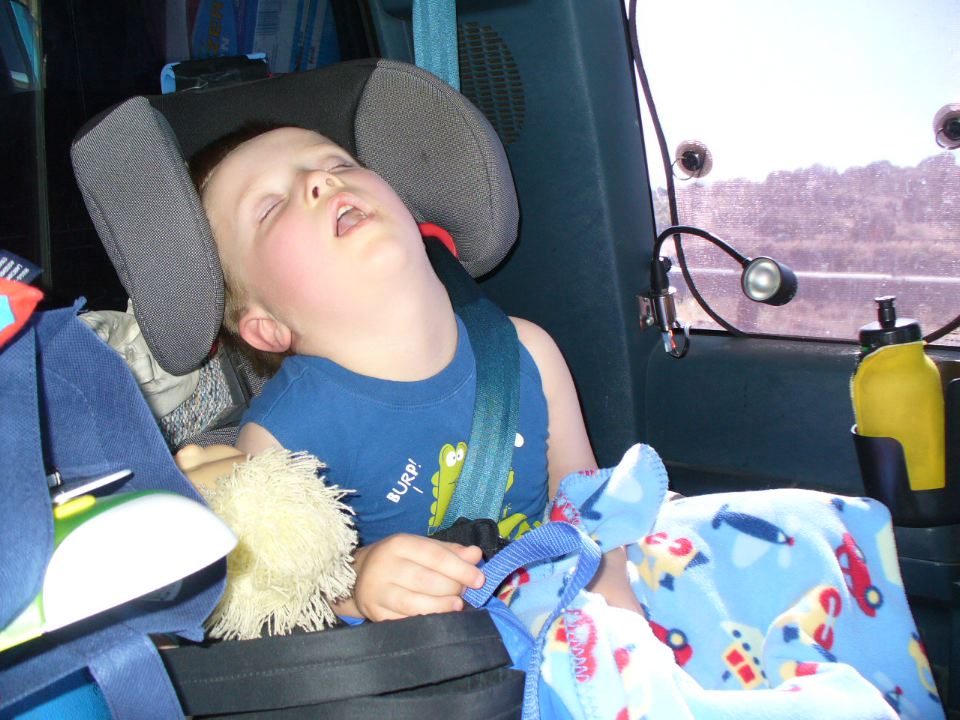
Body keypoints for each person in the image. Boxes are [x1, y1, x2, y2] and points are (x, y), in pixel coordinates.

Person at [176, 125, 641, 622]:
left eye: (339, 164)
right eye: (269, 207)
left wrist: (617, 614)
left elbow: (588, 512)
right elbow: (273, 594)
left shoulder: (528, 351)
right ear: (266, 328)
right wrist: (355, 583)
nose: (319, 180)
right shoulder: (281, 441)